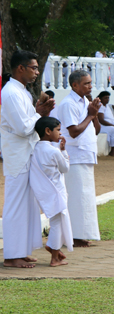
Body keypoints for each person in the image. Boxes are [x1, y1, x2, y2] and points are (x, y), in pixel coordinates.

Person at [1, 50, 55, 268]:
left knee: (27, 205)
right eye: (33, 67)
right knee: (15, 205)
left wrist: (38, 111)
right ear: (20, 68)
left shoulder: (21, 91)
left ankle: (21, 251)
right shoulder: (11, 92)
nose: (36, 72)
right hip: (17, 155)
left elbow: (27, 120)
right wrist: (39, 114)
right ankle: (11, 255)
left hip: (26, 153)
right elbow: (23, 128)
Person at [57, 69, 103, 248]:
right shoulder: (68, 104)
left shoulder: (86, 102)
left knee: (86, 196)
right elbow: (74, 132)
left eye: (91, 83)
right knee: (77, 196)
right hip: (75, 156)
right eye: (86, 83)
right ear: (74, 85)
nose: (90, 86)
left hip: (86, 154)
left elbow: (96, 130)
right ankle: (75, 236)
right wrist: (90, 114)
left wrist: (95, 113)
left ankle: (83, 234)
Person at [30, 116, 73, 266]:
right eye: (58, 130)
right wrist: (64, 152)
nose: (60, 134)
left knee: (56, 221)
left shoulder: (34, 148)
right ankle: (54, 257)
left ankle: (53, 248)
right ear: (48, 131)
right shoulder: (53, 151)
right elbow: (65, 168)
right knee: (57, 223)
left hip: (44, 191)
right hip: (56, 190)